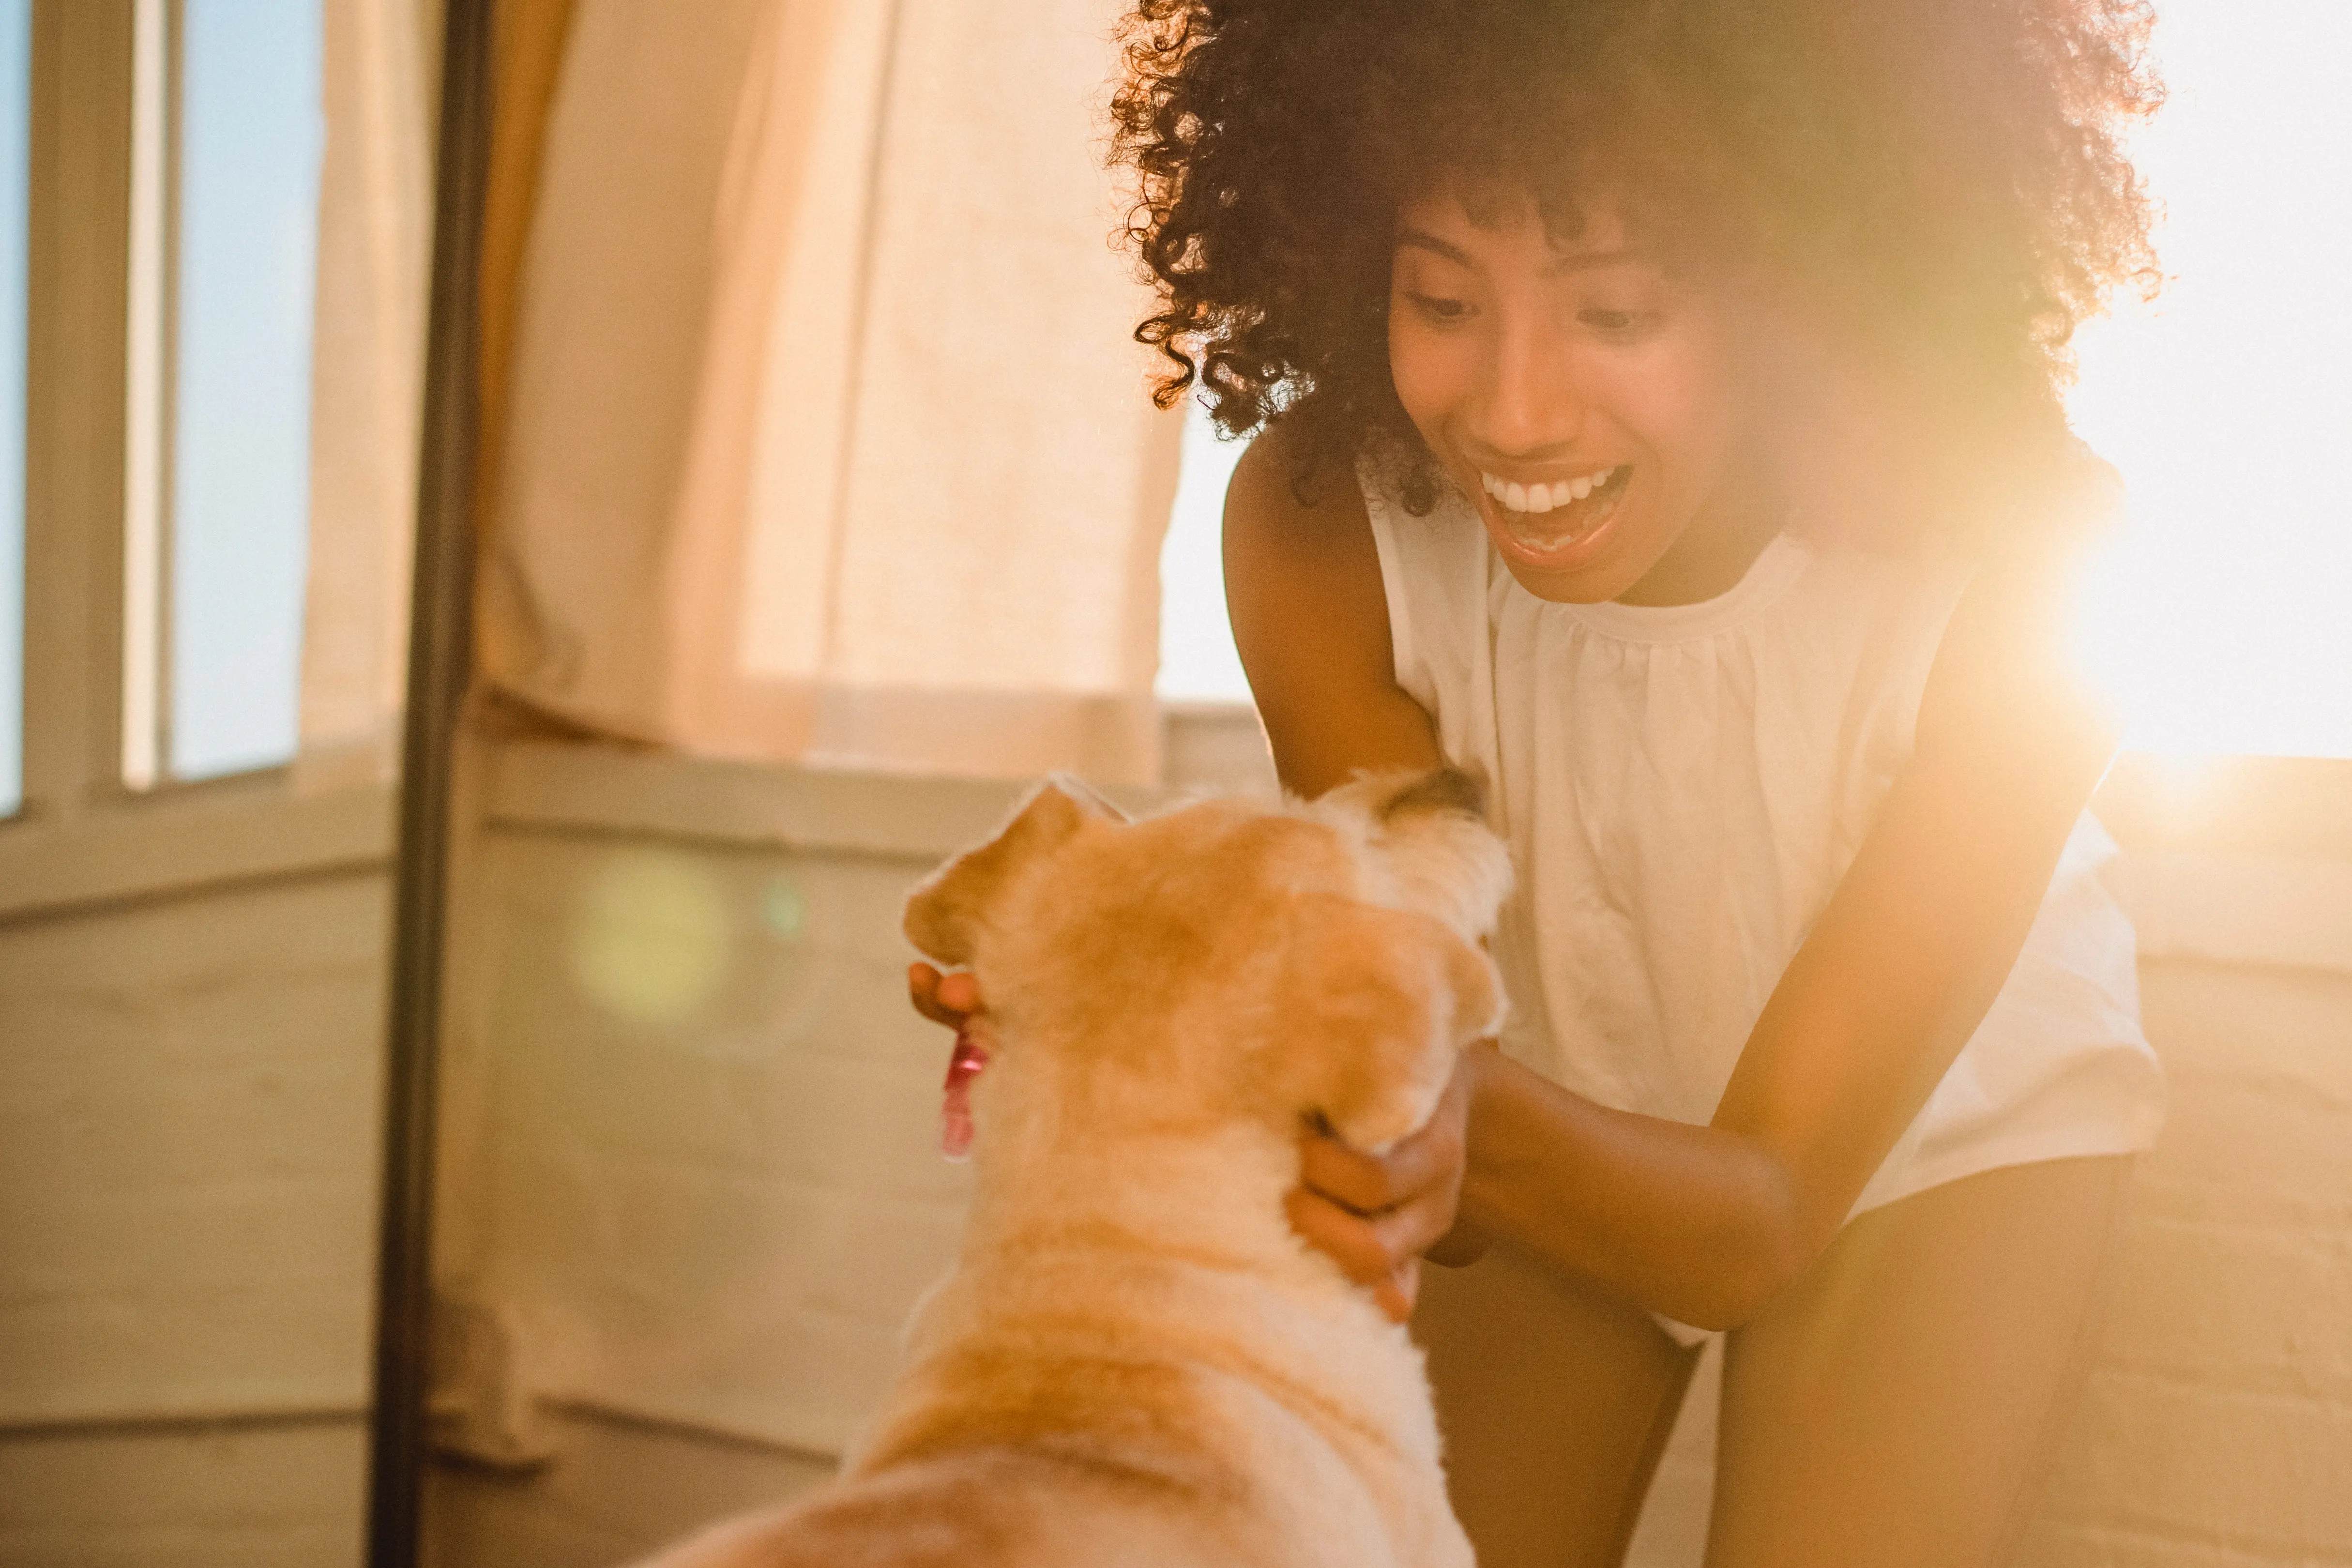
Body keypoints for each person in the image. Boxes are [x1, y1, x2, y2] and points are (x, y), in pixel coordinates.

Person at [916, 1, 2169, 1563]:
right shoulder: (1325, 533)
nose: (1509, 413)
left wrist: (1412, 1088)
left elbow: (1762, 1208)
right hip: (1542, 1091)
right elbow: (1422, 986)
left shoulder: (2030, 568)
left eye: (1618, 312)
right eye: (1441, 294)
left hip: (1933, 1139)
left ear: (1805, 283)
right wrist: (1166, 957)